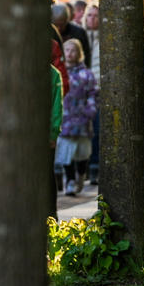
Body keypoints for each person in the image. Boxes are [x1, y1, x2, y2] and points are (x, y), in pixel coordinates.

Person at [57, 37, 97, 197]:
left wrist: (90, 111)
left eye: (73, 50)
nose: (69, 53)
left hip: (82, 119)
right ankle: (70, 180)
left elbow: (93, 94)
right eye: (67, 50)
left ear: (79, 53)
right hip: (65, 118)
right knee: (66, 152)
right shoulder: (59, 72)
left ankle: (81, 174)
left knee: (82, 152)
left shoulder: (86, 74)